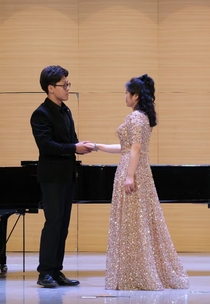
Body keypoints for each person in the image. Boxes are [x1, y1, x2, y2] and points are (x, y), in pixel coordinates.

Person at [85, 74, 189, 291]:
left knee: (133, 224)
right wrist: (96, 146)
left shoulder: (135, 118)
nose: (124, 96)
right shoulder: (143, 118)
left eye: (127, 93)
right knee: (138, 223)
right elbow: (126, 148)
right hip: (139, 169)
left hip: (132, 170)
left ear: (136, 96)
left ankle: (136, 274)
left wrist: (129, 176)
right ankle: (138, 271)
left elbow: (135, 148)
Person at [30, 65, 92, 288]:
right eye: (64, 85)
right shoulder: (40, 114)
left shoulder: (66, 111)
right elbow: (46, 145)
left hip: (67, 175)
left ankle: (56, 271)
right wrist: (74, 147)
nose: (67, 88)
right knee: (53, 223)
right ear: (50, 88)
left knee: (63, 224)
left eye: (68, 84)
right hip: (52, 177)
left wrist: (80, 146)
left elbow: (70, 140)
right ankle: (44, 272)